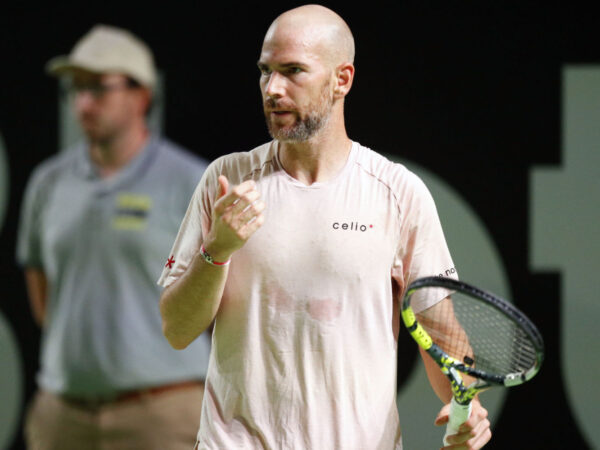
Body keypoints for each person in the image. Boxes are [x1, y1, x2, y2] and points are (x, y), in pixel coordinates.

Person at [158, 5, 492, 450]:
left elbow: (447, 346)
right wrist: (217, 249)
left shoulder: (397, 192)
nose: (272, 89)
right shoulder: (227, 179)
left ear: (342, 80)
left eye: (293, 71)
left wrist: (466, 408)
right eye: (265, 71)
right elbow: (177, 330)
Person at [16, 24, 211, 450]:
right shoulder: (47, 182)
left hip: (162, 414)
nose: (83, 103)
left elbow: (216, 295)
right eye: (76, 89)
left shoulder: (192, 182)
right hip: (62, 414)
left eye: (99, 88)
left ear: (141, 94)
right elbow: (42, 293)